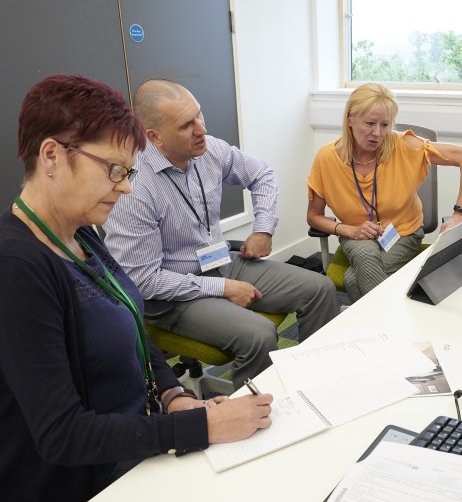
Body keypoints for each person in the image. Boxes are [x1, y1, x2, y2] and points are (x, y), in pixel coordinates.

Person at [0, 75, 273, 502]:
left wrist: (174, 393)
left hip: (128, 447)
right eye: (114, 170)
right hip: (73, 481)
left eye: (128, 172)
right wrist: (202, 426)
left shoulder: (80, 235)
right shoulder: (9, 270)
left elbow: (131, 328)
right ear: (52, 155)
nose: (126, 186)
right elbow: (62, 435)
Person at [104, 79, 339, 387]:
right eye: (186, 125)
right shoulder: (134, 188)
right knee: (259, 335)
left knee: (320, 289)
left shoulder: (209, 149)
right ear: (154, 137)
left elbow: (262, 174)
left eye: (199, 115)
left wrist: (263, 228)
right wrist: (223, 287)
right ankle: (254, 418)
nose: (201, 129)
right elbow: (144, 281)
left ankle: (316, 384)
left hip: (220, 261)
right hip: (173, 294)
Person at [307, 82, 462, 302]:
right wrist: (348, 231)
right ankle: (395, 326)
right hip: (354, 234)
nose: (377, 133)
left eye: (385, 125)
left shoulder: (403, 145)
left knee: (353, 280)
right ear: (350, 119)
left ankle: (377, 329)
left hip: (402, 233)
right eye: (369, 123)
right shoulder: (326, 158)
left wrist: (460, 215)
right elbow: (314, 216)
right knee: (363, 252)